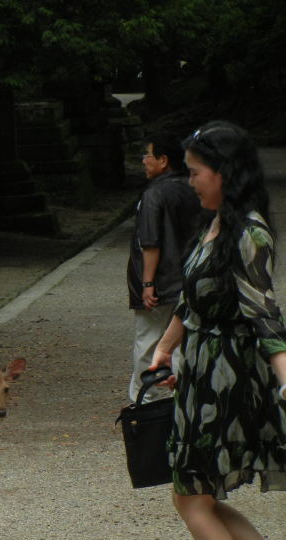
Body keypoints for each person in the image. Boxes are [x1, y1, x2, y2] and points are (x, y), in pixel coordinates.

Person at [150, 120, 286, 540]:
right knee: (197, 496)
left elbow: (265, 315)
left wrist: (283, 379)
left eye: (197, 172)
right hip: (202, 371)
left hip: (226, 379)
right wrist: (165, 346)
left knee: (191, 497)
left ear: (224, 173)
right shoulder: (216, 225)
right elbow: (194, 299)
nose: (190, 182)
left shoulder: (249, 231)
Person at [127, 132, 203, 404]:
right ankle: (183, 400)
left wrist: (147, 283)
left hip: (160, 283)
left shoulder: (153, 194)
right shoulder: (193, 187)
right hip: (190, 278)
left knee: (148, 343)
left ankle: (148, 403)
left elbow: (150, 242)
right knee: (184, 342)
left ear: (163, 160)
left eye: (147, 155)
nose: (144, 161)